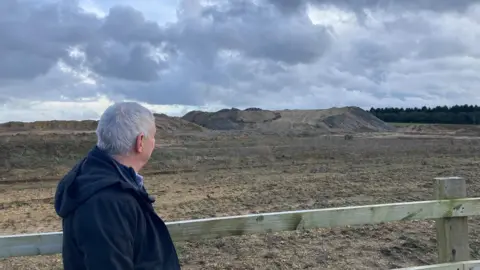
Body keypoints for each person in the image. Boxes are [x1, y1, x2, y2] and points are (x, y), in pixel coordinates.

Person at [54, 102, 181, 270]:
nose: (154, 143)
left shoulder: (108, 181)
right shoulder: (106, 201)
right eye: (154, 136)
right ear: (140, 142)